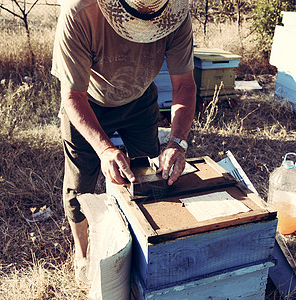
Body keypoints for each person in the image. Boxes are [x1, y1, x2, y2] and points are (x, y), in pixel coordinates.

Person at [51, 0, 196, 282]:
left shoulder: (177, 13)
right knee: (80, 185)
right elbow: (71, 96)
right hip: (87, 101)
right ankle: (82, 252)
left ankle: (148, 243)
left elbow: (185, 85)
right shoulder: (80, 12)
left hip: (140, 99)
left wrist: (178, 142)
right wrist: (105, 149)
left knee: (153, 176)